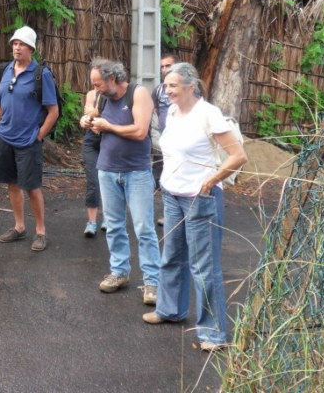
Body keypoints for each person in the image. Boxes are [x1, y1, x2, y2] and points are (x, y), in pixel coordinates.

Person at [142, 62, 247, 353]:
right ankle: (170, 309)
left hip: (200, 198)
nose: (167, 90)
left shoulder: (208, 114)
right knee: (172, 256)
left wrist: (211, 181)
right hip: (173, 195)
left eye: (173, 85)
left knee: (203, 266)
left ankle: (213, 333)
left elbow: (238, 156)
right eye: (166, 85)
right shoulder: (173, 112)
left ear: (191, 85)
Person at [81, 58, 161, 306]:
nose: (96, 89)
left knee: (144, 228)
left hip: (136, 171)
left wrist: (109, 126)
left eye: (99, 84)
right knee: (114, 225)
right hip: (107, 169)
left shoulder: (138, 94)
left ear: (112, 78)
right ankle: (119, 272)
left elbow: (139, 131)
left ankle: (152, 282)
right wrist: (88, 122)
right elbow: (94, 121)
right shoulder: (101, 97)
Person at [0, 25, 58, 252]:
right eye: (14, 43)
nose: (16, 47)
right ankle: (19, 227)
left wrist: (38, 136)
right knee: (12, 184)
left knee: (31, 187)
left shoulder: (41, 74)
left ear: (31, 48)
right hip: (4, 138)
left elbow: (53, 111)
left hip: (28, 141)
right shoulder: (5, 70)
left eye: (21, 44)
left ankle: (40, 232)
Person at [151, 52, 176, 227]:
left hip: (181, 143)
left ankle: (175, 215)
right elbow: (157, 111)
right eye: (162, 66)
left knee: (176, 176)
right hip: (164, 141)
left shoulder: (188, 88)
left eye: (168, 65)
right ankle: (168, 213)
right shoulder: (158, 90)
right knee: (161, 177)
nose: (165, 69)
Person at [79, 89, 104, 236]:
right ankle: (92, 222)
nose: (97, 86)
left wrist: (93, 113)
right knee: (93, 182)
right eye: (94, 83)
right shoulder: (91, 94)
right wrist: (85, 119)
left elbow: (94, 112)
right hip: (91, 141)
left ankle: (109, 218)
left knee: (110, 181)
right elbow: (88, 113)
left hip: (110, 140)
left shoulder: (117, 94)